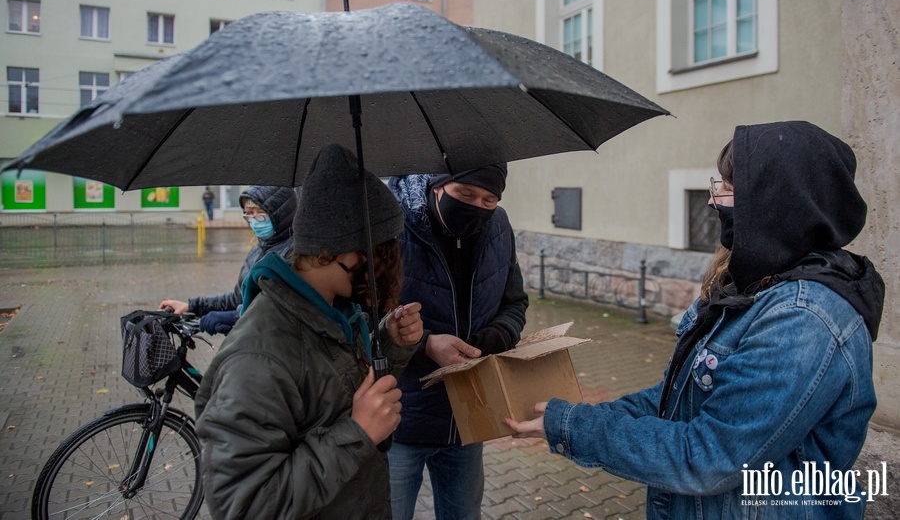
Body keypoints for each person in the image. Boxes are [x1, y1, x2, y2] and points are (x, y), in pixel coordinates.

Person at [506, 121, 885, 518]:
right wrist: (578, 417)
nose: (714, 200)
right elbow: (678, 397)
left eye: (729, 188)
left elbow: (708, 457)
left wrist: (574, 427)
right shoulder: (756, 286)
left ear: (777, 202)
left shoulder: (802, 318)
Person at [194, 143, 424, 519]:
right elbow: (243, 503)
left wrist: (391, 344)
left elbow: (338, 393)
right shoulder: (260, 356)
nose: (388, 266)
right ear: (335, 252)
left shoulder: (333, 312)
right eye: (381, 252)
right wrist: (358, 433)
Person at [387, 164, 529, 520]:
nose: (477, 206)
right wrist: (426, 345)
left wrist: (496, 337)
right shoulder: (389, 224)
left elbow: (515, 302)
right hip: (399, 418)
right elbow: (360, 314)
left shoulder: (497, 225)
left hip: (467, 416)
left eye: (489, 199)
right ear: (437, 185)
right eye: (465, 195)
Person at [159, 185, 295, 334]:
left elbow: (282, 310)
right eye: (249, 214)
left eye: (261, 214)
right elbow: (238, 298)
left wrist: (235, 316)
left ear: (280, 213)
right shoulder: (259, 249)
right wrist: (192, 306)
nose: (255, 221)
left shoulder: (294, 254)